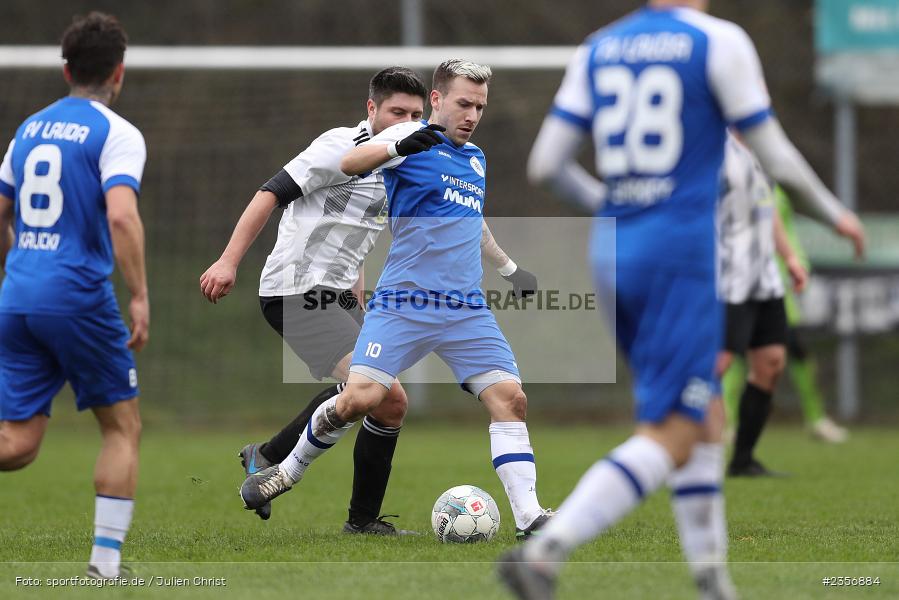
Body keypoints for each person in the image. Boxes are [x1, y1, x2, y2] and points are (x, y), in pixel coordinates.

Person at [500, 1, 865, 599]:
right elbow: (774, 156)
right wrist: (835, 214)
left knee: (703, 419)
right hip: (680, 259)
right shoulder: (717, 41)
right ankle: (544, 552)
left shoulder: (600, 44)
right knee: (672, 431)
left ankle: (712, 583)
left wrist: (620, 209)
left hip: (615, 253)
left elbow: (546, 164)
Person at [201, 65, 538, 533]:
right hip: (296, 290)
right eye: (397, 112)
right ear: (371, 109)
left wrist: (508, 270)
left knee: (384, 401)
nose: (407, 121)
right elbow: (270, 193)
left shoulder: (425, 152)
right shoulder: (345, 145)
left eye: (414, 114)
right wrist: (227, 261)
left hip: (340, 293)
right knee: (381, 394)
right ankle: (278, 463)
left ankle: (341, 507)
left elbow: (375, 226)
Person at [0, 12, 148, 580]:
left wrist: (16, 268)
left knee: (17, 444)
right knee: (121, 427)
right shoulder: (116, 133)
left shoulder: (28, 129)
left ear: (66, 70)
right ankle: (105, 566)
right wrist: (138, 295)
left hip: (18, 296)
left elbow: (1, 211)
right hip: (79, 298)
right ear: (119, 71)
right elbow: (122, 216)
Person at [722, 186, 850, 444]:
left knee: (795, 351)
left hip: (778, 287)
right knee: (733, 355)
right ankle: (728, 424)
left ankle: (816, 419)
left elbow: (785, 230)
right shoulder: (724, 181)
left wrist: (797, 260)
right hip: (739, 284)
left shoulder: (776, 192)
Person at [716, 133, 809, 477]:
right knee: (716, 363)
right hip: (728, 279)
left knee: (771, 362)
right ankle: (669, 446)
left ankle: (742, 460)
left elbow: (768, 212)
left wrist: (790, 257)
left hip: (766, 280)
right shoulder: (711, 147)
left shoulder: (761, 150)